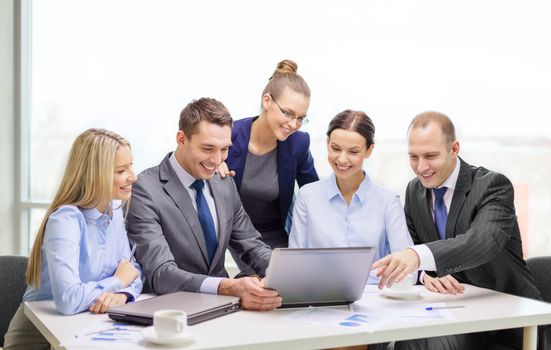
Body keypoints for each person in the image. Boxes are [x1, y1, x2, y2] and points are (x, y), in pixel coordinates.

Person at [372, 111, 540, 349]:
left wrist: (417, 256)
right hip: (454, 310)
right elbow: (418, 247)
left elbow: (482, 241)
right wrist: (425, 275)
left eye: (430, 156)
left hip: (505, 318)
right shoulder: (414, 192)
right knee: (403, 338)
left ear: (454, 149)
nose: (421, 167)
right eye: (413, 157)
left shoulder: (492, 186)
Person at [126, 97, 282, 311]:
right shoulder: (145, 189)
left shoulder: (224, 183)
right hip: (172, 312)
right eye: (208, 149)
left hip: (225, 310)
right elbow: (161, 273)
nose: (218, 160)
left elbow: (251, 245)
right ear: (181, 139)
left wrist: (283, 272)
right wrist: (228, 287)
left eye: (224, 149)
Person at [4, 128, 142, 350]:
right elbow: (68, 300)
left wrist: (123, 294)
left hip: (86, 327)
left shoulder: (114, 212)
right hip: (41, 338)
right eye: (121, 170)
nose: (133, 176)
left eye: (131, 166)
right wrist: (115, 283)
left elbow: (132, 271)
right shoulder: (66, 220)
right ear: (95, 174)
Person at [289, 110, 413, 284]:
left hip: (375, 299)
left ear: (369, 150)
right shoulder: (307, 197)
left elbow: (407, 270)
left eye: (353, 152)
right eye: (335, 148)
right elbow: (295, 264)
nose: (342, 159)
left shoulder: (388, 201)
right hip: (320, 298)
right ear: (327, 144)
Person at [219, 59, 319, 276]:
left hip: (274, 234)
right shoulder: (228, 135)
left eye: (301, 118)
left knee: (293, 282)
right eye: (288, 113)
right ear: (267, 101)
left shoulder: (298, 143)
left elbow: (315, 194)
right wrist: (212, 168)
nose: (293, 124)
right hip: (234, 234)